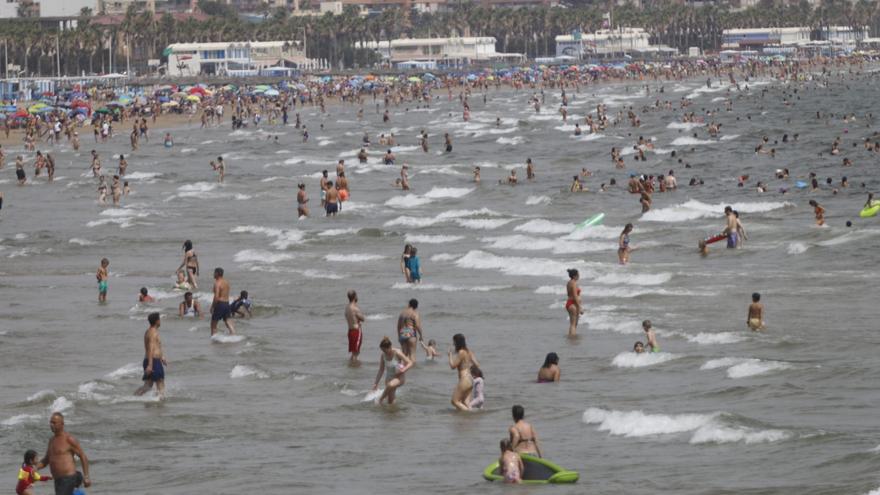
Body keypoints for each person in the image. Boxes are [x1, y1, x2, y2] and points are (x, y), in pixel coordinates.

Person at [36, 413, 91, 495]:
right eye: (50, 422)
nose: (51, 425)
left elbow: (82, 456)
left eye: (54, 423)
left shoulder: (68, 439)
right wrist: (34, 468)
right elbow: (46, 459)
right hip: (58, 480)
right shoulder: (52, 440)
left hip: (68, 478)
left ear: (62, 424)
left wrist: (86, 477)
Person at [372, 336, 413, 405]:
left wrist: (403, 370)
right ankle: (392, 414)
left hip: (399, 377)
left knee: (390, 385)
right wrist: (376, 383)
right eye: (382, 350)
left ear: (390, 347)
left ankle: (380, 399)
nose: (384, 352)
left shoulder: (397, 352)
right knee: (391, 402)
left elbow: (410, 363)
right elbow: (381, 370)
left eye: (385, 350)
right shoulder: (383, 355)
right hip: (389, 378)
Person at [135, 312, 166, 398]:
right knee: (160, 383)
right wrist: (150, 365)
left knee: (148, 385)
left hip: (151, 360)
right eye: (159, 319)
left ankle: (134, 397)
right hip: (153, 361)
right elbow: (151, 348)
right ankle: (161, 405)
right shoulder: (153, 333)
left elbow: (157, 346)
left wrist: (162, 357)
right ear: (157, 321)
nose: (160, 321)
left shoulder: (149, 331)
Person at [448, 333, 480, 411]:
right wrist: (467, 367)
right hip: (470, 379)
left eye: (454, 342)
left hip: (464, 379)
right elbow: (477, 364)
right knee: (465, 402)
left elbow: (453, 366)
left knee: (454, 401)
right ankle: (466, 421)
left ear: (457, 342)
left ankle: (469, 414)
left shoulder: (461, 352)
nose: (453, 344)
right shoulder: (469, 351)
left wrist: (450, 356)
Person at [210, 267, 235, 336]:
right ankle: (233, 335)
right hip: (227, 304)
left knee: (213, 324)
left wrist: (212, 307)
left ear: (217, 274)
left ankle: (213, 340)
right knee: (228, 321)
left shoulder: (217, 283)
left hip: (220, 304)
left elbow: (216, 297)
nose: (213, 274)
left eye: (214, 273)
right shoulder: (226, 282)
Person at [345, 290, 365, 364]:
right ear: (355, 297)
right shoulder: (355, 308)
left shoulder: (347, 308)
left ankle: (351, 365)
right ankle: (354, 366)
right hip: (356, 331)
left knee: (354, 352)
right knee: (356, 352)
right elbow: (363, 318)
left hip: (350, 331)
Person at [565, 269, 583, 337]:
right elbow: (575, 296)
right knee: (574, 324)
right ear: (575, 276)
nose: (579, 276)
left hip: (570, 303)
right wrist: (580, 307)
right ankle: (573, 338)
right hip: (573, 304)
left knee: (573, 323)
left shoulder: (569, 282)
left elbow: (569, 294)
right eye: (578, 275)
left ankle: (571, 336)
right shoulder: (574, 283)